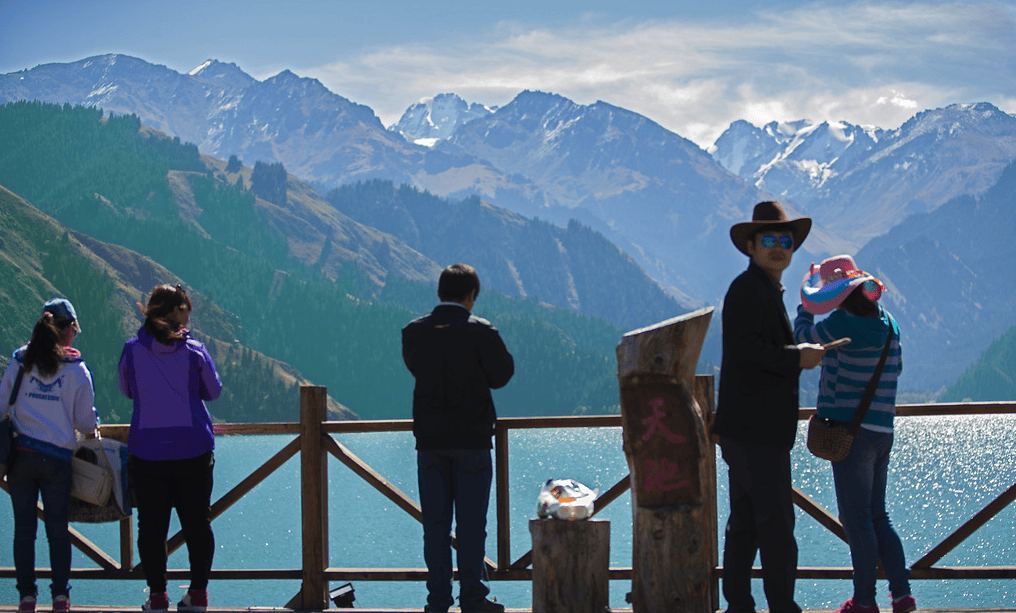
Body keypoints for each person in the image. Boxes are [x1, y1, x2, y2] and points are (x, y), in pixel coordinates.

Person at [712, 201, 826, 613]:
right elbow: (747, 351)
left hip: (749, 430)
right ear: (751, 246)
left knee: (744, 525)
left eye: (785, 241)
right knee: (776, 525)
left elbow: (754, 351)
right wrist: (798, 357)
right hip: (757, 432)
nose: (779, 248)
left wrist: (796, 354)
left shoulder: (762, 289)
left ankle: (739, 605)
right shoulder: (748, 290)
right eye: (769, 240)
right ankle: (782, 606)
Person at [795, 255, 916, 613]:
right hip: (882, 429)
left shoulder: (841, 323)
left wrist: (803, 310)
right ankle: (902, 594)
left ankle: (864, 601)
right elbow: (899, 365)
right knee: (878, 515)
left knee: (856, 519)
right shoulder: (889, 323)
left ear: (836, 295)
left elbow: (802, 341)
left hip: (851, 432)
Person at [401, 264, 515, 613]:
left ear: (439, 293)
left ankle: (437, 601)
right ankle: (473, 599)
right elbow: (502, 375)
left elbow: (417, 369)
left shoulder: (414, 333)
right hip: (473, 442)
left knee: (435, 526)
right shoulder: (481, 332)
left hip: (430, 443)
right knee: (471, 526)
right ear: (471, 295)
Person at [118, 285, 222, 613]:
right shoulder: (194, 350)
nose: (190, 314)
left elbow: (127, 390)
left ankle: (158, 596)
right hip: (193, 449)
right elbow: (213, 391)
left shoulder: (133, 350)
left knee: (151, 527)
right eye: (186, 308)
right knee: (197, 524)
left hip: (148, 452)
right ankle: (198, 595)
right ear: (175, 312)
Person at [1, 298, 99, 613]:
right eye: (75, 328)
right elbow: (85, 422)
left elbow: (2, 405)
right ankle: (60, 597)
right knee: (58, 530)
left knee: (23, 531)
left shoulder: (19, 361)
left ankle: (27, 597)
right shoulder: (76, 369)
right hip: (57, 460)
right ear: (68, 329)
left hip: (21, 457)